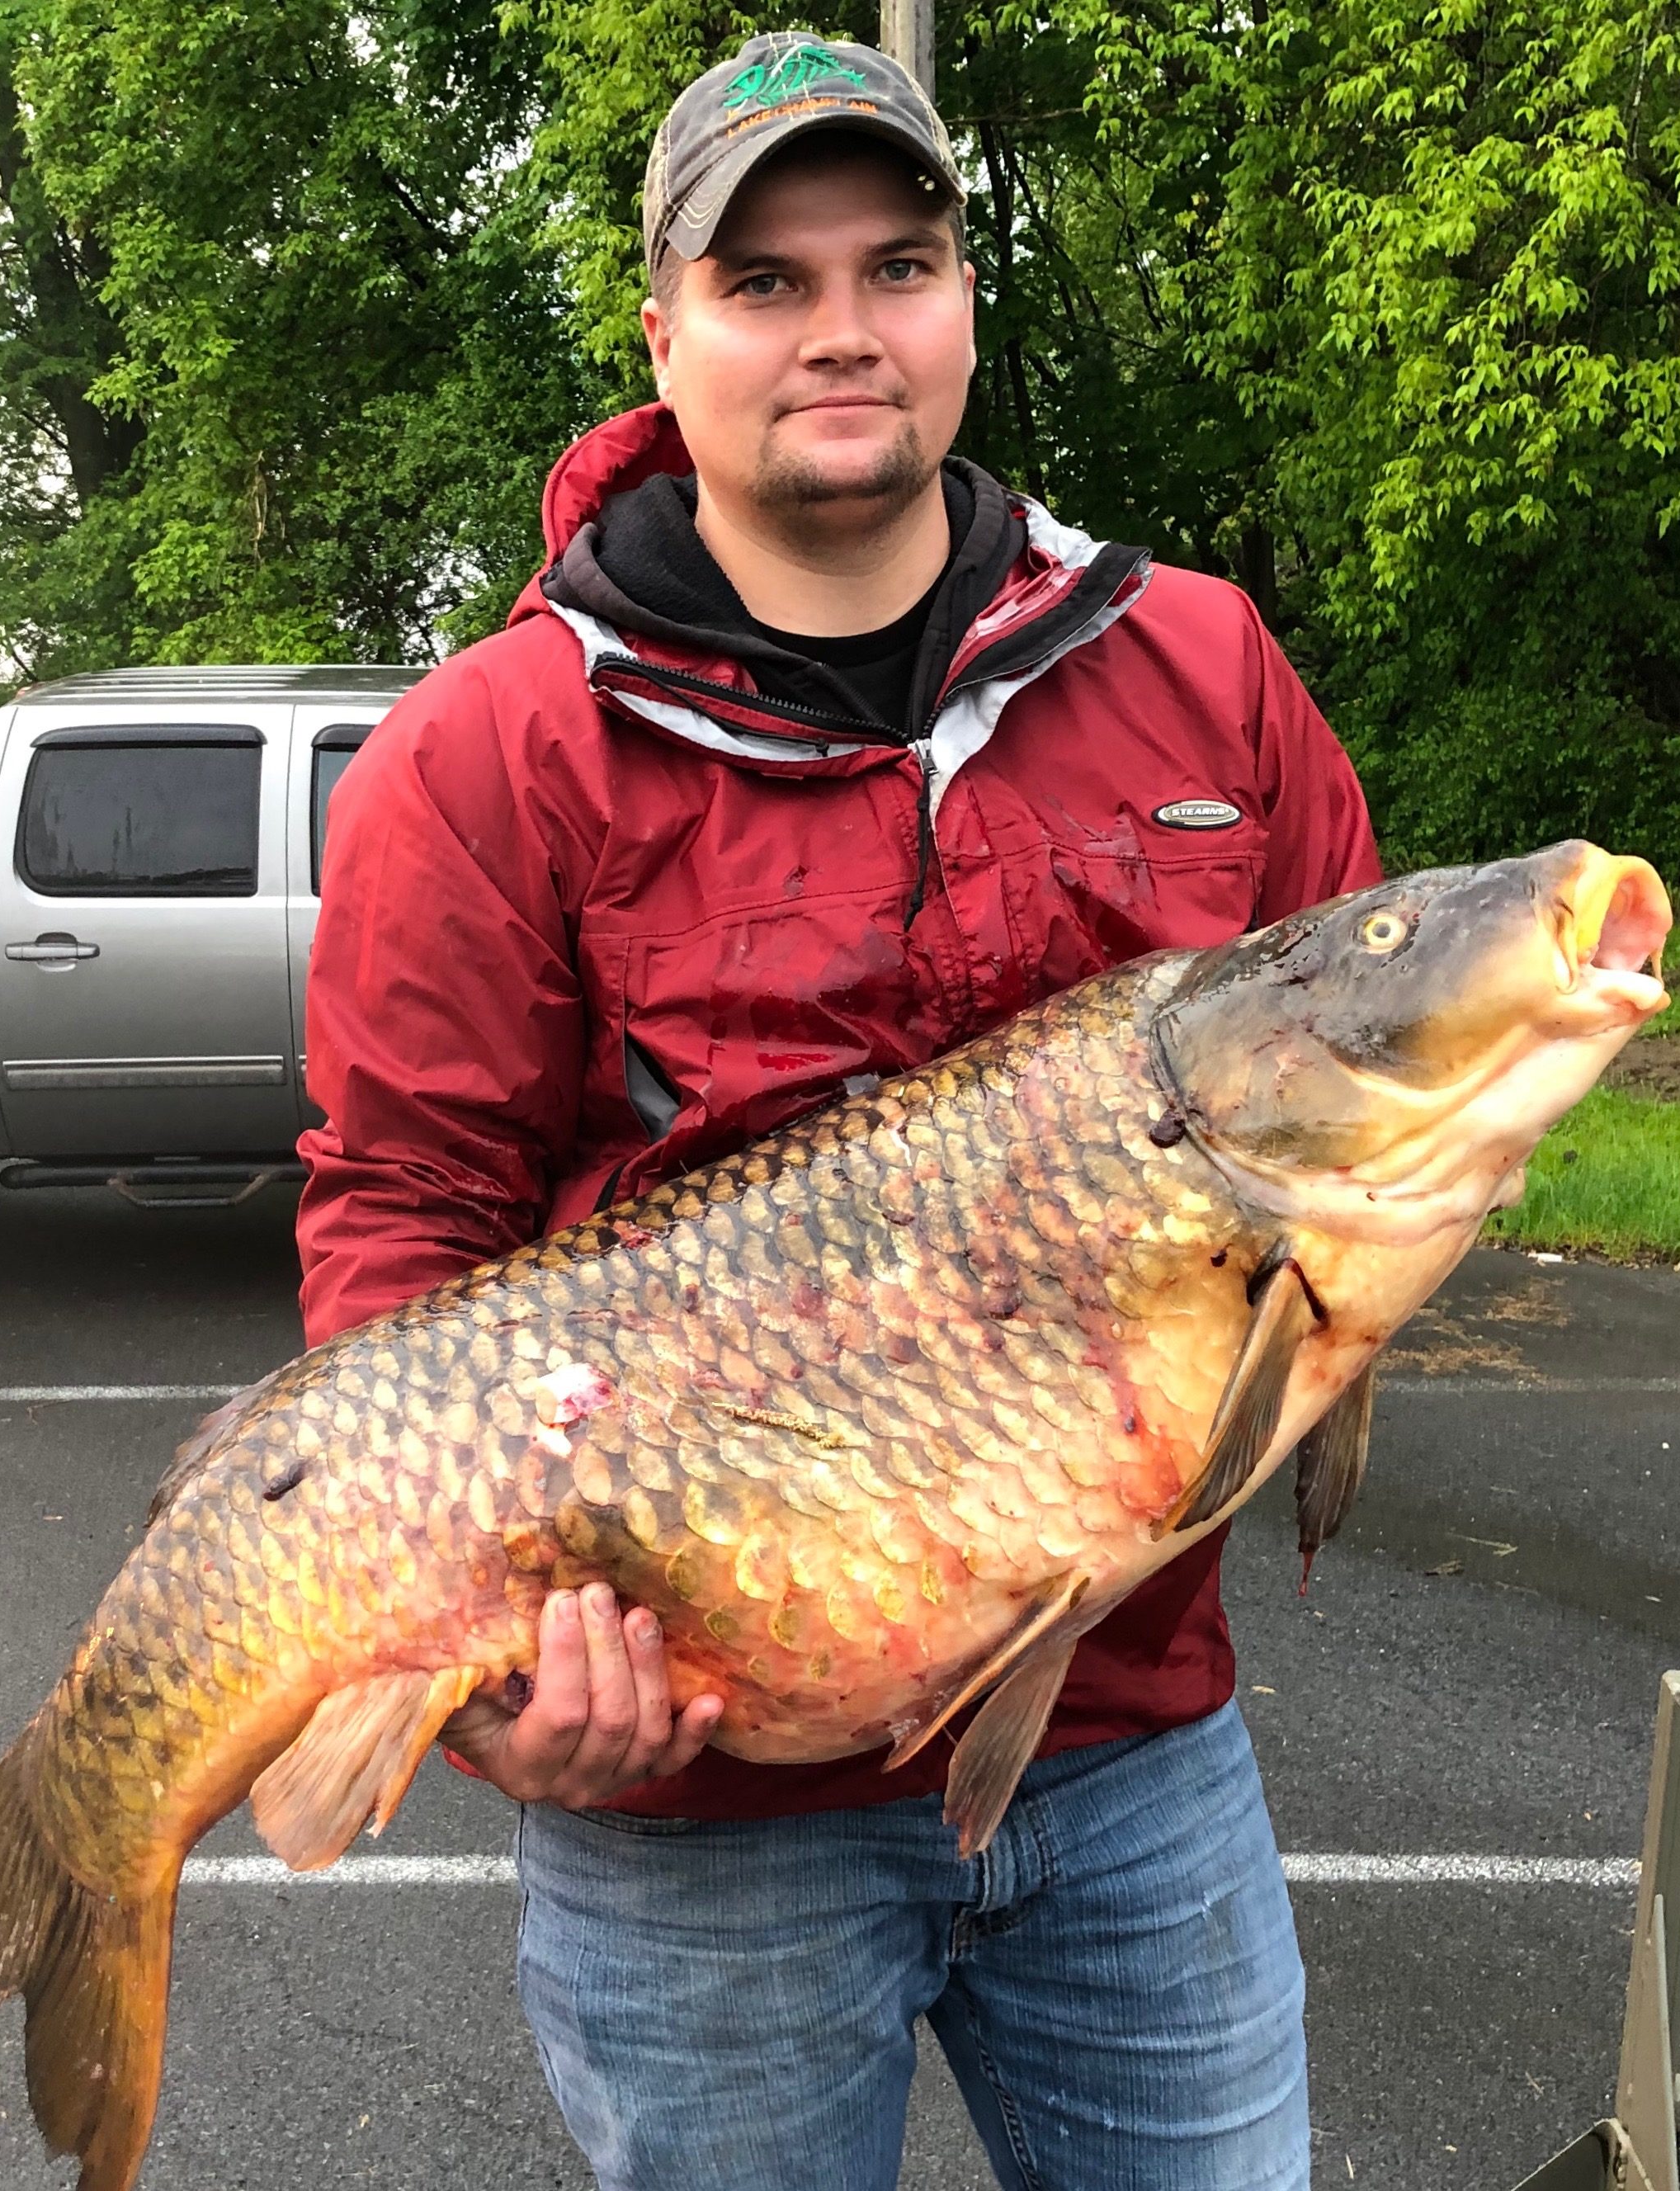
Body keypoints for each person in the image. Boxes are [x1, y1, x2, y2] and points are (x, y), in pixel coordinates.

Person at [299, 30, 1378, 2190]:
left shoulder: (1197, 666)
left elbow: (1347, 1068)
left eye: (895, 264)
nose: (840, 332)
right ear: (664, 335)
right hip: (696, 1819)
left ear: (965, 300)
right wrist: (485, 1662)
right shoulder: (490, 754)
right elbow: (404, 1225)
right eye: (765, 283)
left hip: (1132, 1757)